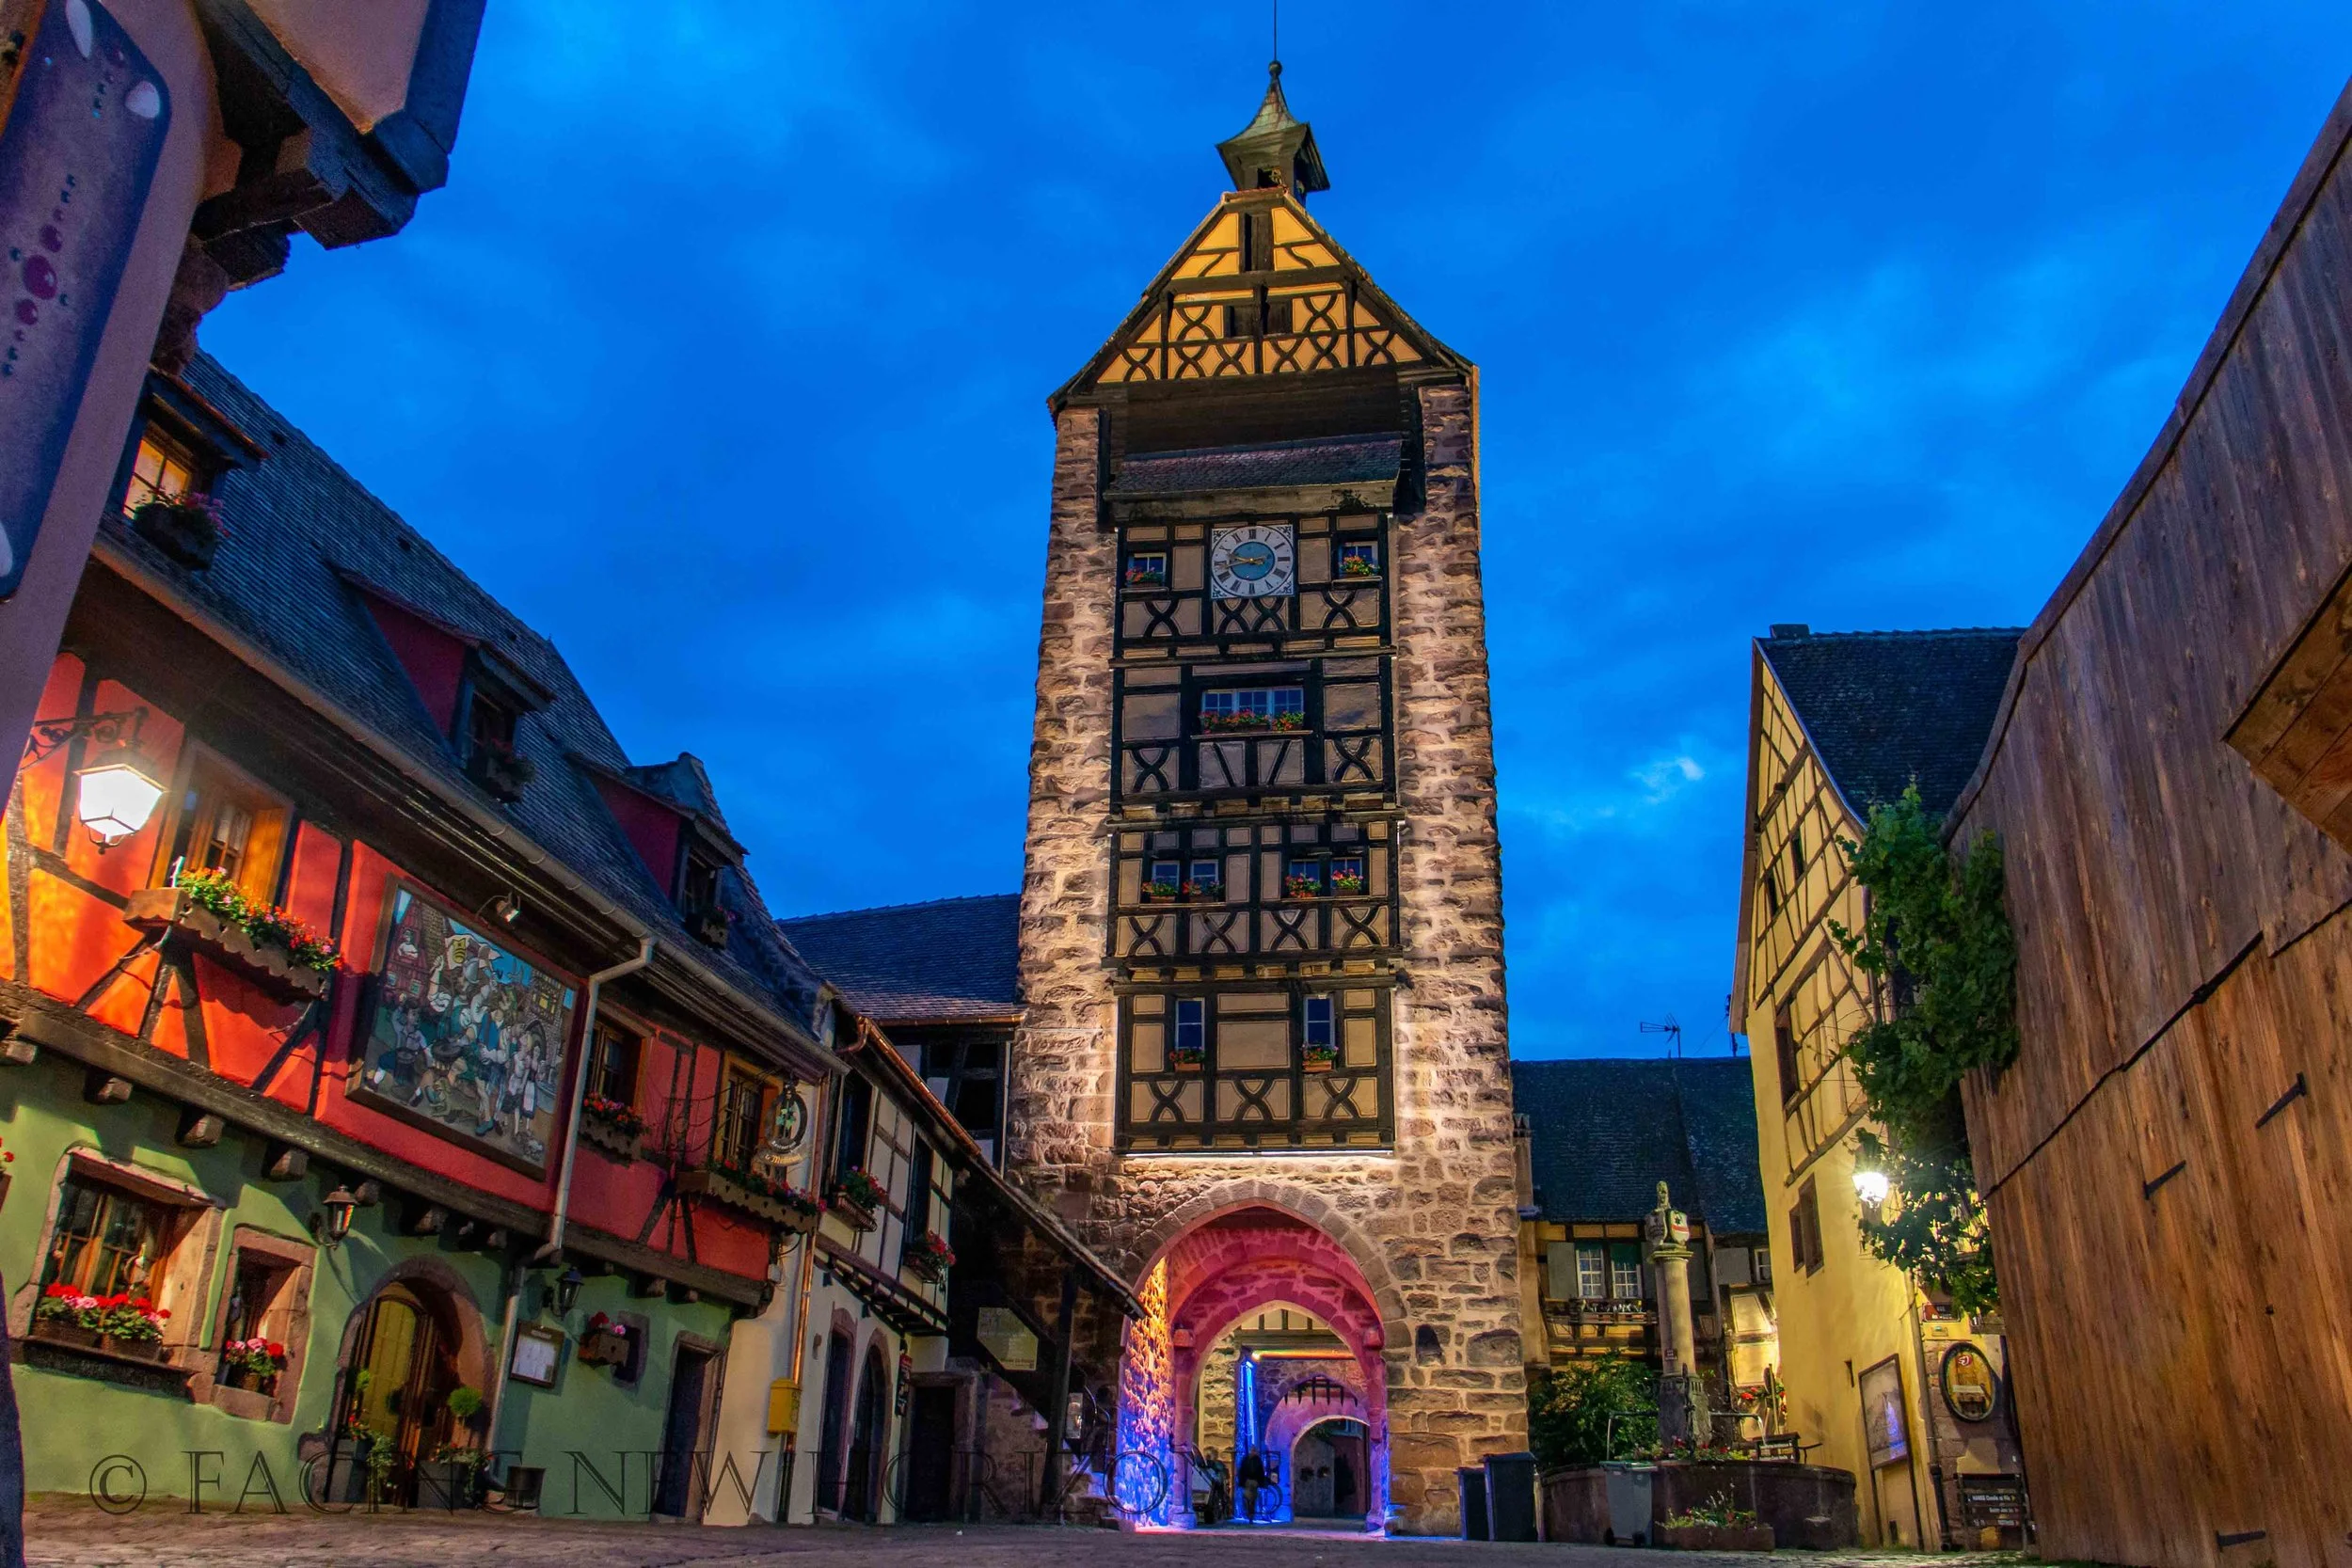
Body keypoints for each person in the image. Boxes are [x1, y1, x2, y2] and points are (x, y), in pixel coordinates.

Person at [1237, 1448, 1266, 1523]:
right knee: (1248, 1498)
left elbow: (1261, 1472)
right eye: (1253, 1451)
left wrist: (1260, 1482)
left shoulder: (1257, 1460)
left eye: (1254, 1451)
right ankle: (1249, 1514)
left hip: (1254, 1482)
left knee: (1252, 1499)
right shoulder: (1247, 1460)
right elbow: (1242, 1470)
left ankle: (1251, 1515)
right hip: (1248, 1481)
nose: (1254, 1452)